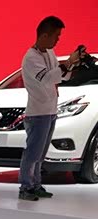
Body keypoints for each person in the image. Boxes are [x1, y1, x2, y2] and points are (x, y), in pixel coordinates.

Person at [18, 16, 81, 200]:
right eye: (56, 35)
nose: (58, 39)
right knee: (32, 153)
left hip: (50, 110)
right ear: (45, 35)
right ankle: (25, 188)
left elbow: (60, 76)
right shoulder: (31, 57)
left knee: (40, 154)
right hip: (38, 113)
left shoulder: (49, 53)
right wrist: (68, 63)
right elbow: (47, 78)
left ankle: (36, 185)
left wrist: (73, 65)